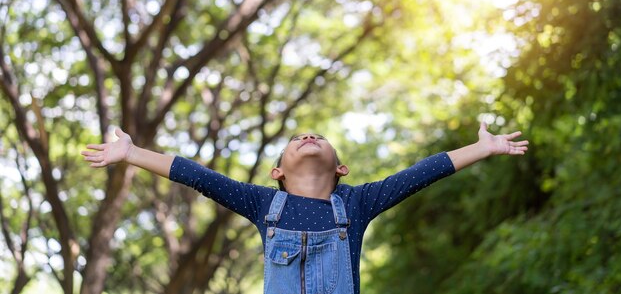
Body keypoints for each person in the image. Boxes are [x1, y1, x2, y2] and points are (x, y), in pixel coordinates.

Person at [81, 122, 528, 294]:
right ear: (277, 171)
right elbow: (198, 176)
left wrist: (481, 147)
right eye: (297, 139)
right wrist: (133, 153)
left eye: (317, 136)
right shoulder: (263, 204)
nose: (307, 137)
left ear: (341, 168)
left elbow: (419, 173)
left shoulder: (356, 202)